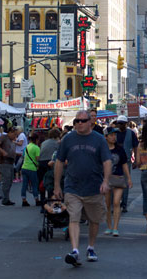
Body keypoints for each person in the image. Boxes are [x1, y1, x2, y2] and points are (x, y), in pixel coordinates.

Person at [54, 110, 112, 266]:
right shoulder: (68, 139)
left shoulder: (99, 140)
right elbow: (59, 161)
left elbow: (107, 161)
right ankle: (75, 250)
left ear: (90, 122)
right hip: (72, 186)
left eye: (82, 121)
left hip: (94, 187)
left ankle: (91, 247)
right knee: (74, 217)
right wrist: (57, 185)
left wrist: (106, 181)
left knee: (94, 220)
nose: (79, 123)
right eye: (76, 121)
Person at [104, 127, 132, 237]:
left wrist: (128, 178)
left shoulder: (120, 149)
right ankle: (109, 226)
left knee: (116, 202)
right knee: (107, 204)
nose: (113, 137)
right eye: (111, 135)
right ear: (106, 137)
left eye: (114, 135)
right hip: (106, 178)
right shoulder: (103, 149)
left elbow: (124, 164)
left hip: (119, 177)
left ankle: (115, 227)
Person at [115, 116, 138, 213]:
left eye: (122, 123)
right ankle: (115, 203)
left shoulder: (131, 133)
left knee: (126, 182)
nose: (120, 125)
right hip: (115, 161)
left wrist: (136, 160)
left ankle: (124, 204)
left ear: (126, 124)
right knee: (115, 182)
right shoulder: (114, 133)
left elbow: (135, 146)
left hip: (127, 160)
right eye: (119, 123)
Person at [38, 128, 61, 201]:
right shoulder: (57, 143)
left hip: (41, 163)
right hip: (51, 163)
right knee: (51, 182)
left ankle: (42, 200)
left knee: (42, 183)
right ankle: (51, 200)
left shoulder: (44, 143)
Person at [0, 126, 17, 205]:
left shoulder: (10, 139)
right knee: (6, 181)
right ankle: (4, 199)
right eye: (14, 134)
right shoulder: (3, 137)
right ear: (10, 132)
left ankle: (6, 198)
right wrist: (3, 152)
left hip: (10, 162)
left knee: (9, 181)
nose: (15, 136)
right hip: (4, 162)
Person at [21, 133, 41, 207]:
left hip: (24, 167)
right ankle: (36, 200)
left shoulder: (27, 147)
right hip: (32, 168)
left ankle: (24, 200)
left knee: (24, 185)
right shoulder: (36, 148)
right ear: (36, 139)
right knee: (34, 185)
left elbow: (23, 156)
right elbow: (37, 158)